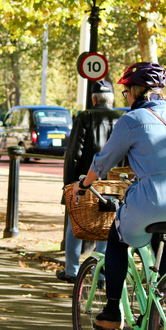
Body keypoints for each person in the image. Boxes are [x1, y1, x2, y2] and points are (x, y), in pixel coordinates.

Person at [74, 62, 166, 329]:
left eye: (126, 92)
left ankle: (111, 311)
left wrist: (84, 185)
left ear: (135, 91)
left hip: (152, 201)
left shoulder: (131, 120)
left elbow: (104, 161)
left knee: (117, 240)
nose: (127, 97)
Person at [56, 80, 120, 283]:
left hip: (86, 180)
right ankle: (100, 273)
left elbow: (74, 153)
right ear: (112, 99)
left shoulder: (85, 117)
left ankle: (72, 270)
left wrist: (69, 185)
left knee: (75, 222)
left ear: (94, 99)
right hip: (112, 182)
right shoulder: (121, 120)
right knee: (108, 226)